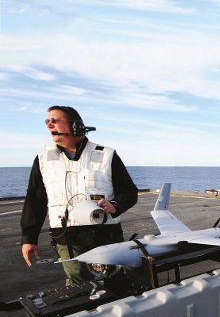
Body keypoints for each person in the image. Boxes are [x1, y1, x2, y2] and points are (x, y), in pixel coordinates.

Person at [20, 106, 138, 285]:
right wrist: (29, 238)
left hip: (105, 233)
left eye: (55, 120)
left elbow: (130, 192)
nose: (49, 124)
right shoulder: (43, 158)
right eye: (47, 121)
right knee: (77, 287)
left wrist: (115, 204)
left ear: (76, 126)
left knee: (115, 282)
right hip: (66, 237)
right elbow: (35, 199)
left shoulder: (106, 154)